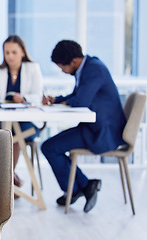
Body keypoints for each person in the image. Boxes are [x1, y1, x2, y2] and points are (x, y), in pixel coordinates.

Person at [41, 40, 127, 213]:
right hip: (93, 127)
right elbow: (76, 95)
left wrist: (64, 101)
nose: (62, 71)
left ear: (73, 62)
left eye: (62, 67)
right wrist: (56, 100)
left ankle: (76, 189)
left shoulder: (93, 69)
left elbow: (80, 101)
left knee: (49, 147)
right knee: (50, 146)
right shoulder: (88, 67)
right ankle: (85, 185)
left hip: (102, 132)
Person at [0, 35, 43, 189]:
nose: (10, 56)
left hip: (27, 122)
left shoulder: (33, 68)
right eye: (7, 52)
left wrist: (24, 98)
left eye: (14, 52)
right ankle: (6, 179)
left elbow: (38, 96)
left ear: (23, 52)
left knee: (12, 135)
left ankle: (6, 180)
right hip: (2, 120)